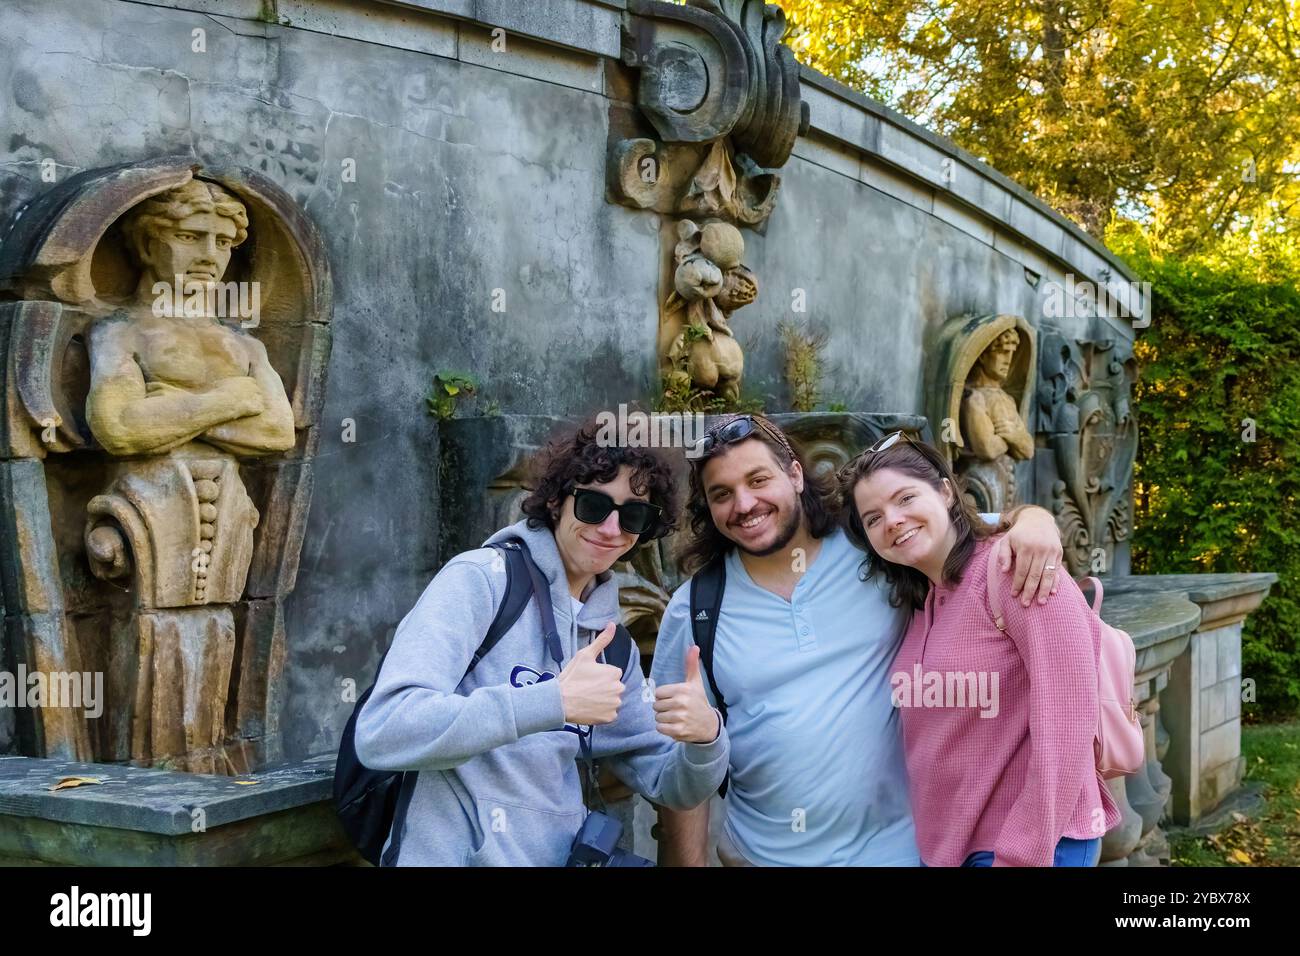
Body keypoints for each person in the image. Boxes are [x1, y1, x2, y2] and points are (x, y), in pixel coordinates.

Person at [651, 413, 1065, 866]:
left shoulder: (874, 545)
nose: (745, 504)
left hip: (905, 852)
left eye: (758, 479)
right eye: (722, 494)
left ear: (794, 474)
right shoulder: (696, 607)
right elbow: (679, 760)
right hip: (765, 858)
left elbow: (955, 527)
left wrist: (1032, 519)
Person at [354, 419, 728, 865]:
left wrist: (707, 740)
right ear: (556, 501)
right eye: (593, 505)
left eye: (633, 516)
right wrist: (551, 701)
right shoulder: (482, 581)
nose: (611, 529)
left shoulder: (612, 644)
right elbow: (384, 730)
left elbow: (672, 785)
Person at [838, 431, 1120, 866]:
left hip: (1029, 847)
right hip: (956, 848)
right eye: (873, 518)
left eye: (905, 498)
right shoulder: (922, 599)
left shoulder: (1013, 569)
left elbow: (1069, 719)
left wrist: (1024, 852)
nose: (892, 520)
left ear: (946, 491)